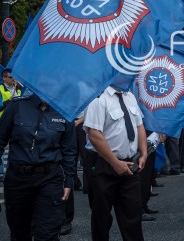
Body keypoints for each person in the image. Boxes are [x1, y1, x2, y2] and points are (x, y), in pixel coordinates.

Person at [0, 92, 76, 240]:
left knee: (48, 233)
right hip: (18, 180)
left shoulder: (64, 112)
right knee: (19, 232)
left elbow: (69, 151)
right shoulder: (17, 106)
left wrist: (69, 181)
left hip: (50, 179)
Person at [84, 86, 147, 241]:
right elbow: (94, 134)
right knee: (101, 217)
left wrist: (144, 153)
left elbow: (139, 125)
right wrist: (114, 163)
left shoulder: (130, 96)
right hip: (103, 165)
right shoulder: (98, 98)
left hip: (129, 164)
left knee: (133, 216)